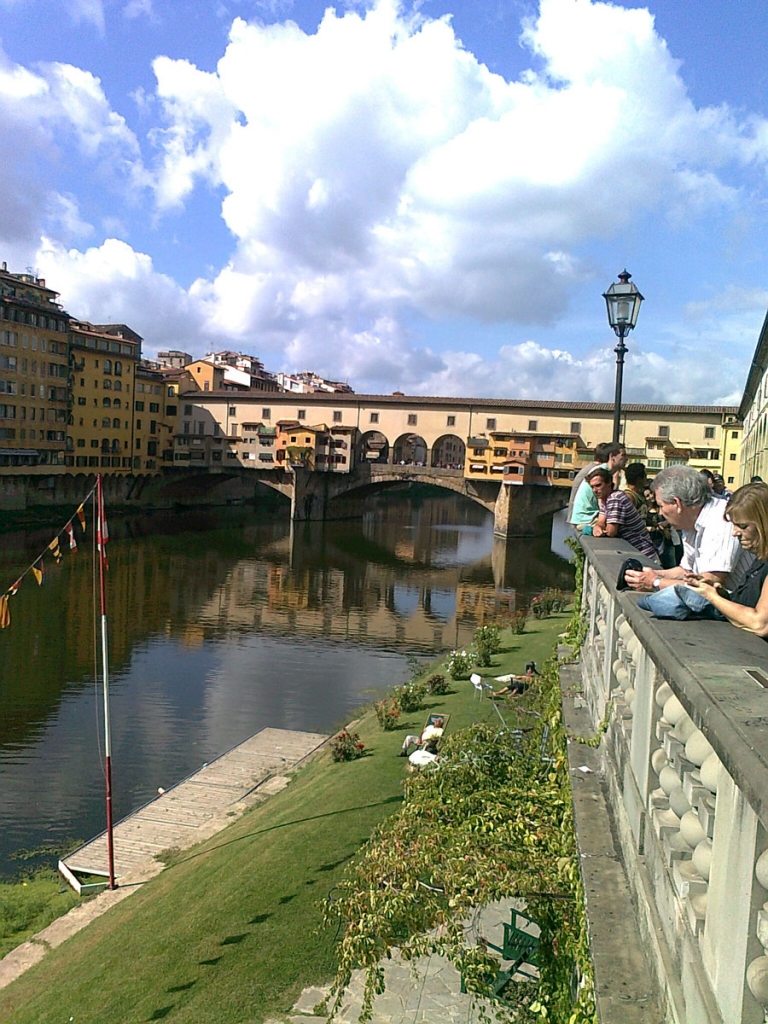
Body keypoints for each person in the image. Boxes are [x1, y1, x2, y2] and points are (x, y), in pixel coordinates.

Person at [624, 465, 754, 599]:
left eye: (661, 506)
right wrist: (652, 574)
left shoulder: (720, 520)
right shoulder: (691, 522)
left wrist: (655, 582)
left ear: (677, 503)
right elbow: (686, 571)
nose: (661, 513)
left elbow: (708, 584)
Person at [683, 483, 768, 635]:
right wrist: (718, 592)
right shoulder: (761, 560)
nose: (735, 533)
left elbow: (759, 624)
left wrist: (710, 595)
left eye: (743, 526)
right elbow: (747, 603)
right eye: (734, 526)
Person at [587, 468, 660, 560]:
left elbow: (611, 532)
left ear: (609, 482)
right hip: (636, 552)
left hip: (644, 555)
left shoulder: (615, 498)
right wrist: (597, 527)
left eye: (598, 485)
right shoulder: (605, 499)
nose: (594, 490)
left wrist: (594, 529)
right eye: (592, 487)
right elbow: (601, 521)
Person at [568, 442, 628, 531]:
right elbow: (602, 504)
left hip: (585, 517)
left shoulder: (604, 470)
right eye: (623, 455)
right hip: (587, 518)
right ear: (612, 457)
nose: (626, 458)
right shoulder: (601, 472)